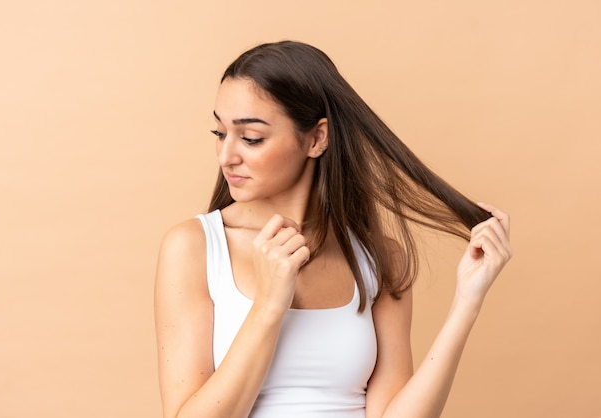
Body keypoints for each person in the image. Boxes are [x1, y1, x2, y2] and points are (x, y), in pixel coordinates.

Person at [154, 40, 512, 418]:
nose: (226, 156)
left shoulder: (379, 259)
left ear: (317, 138)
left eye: (251, 138)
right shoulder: (195, 248)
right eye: (220, 133)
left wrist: (467, 302)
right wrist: (268, 306)